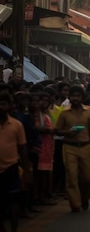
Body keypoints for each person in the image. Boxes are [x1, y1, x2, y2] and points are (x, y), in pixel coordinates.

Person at [54, 85, 90, 212]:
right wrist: (68, 132)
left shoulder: (89, 111)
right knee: (71, 176)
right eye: (73, 96)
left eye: (78, 96)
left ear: (82, 97)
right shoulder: (64, 112)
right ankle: (75, 204)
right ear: (69, 97)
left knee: (87, 178)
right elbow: (57, 130)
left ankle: (85, 199)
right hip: (69, 147)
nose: (75, 98)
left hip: (86, 146)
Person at [0, 91, 32, 232]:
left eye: (4, 104)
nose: (1, 107)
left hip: (12, 166)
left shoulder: (16, 125)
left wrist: (26, 170)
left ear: (10, 106)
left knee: (14, 200)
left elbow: (23, 149)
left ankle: (14, 228)